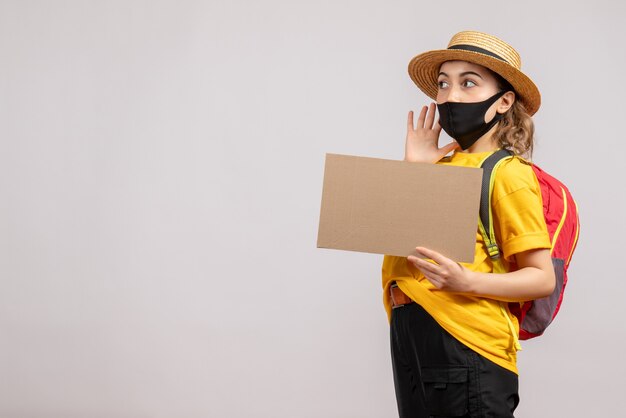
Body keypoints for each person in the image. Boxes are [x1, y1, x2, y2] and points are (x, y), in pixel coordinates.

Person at [383, 31, 555, 417]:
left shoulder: (508, 174)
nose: (451, 96)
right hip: (412, 333)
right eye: (443, 84)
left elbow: (541, 278)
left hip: (468, 342)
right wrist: (414, 174)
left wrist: (467, 282)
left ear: (504, 100)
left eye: (468, 83)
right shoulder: (439, 166)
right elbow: (404, 253)